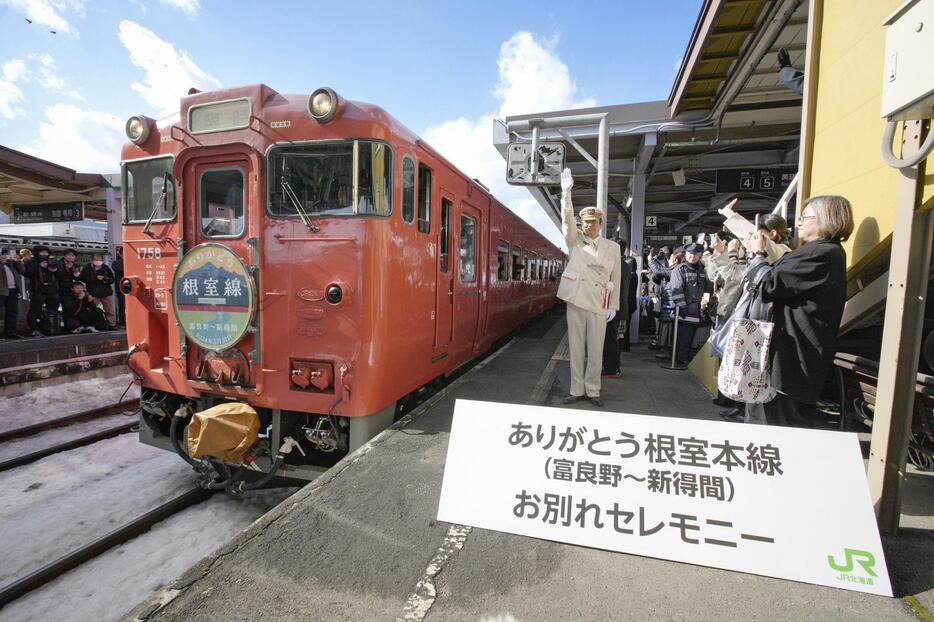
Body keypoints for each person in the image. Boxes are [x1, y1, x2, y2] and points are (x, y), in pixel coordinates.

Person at [742, 195, 853, 427]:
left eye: (806, 217)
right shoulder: (817, 252)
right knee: (765, 421)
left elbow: (769, 285)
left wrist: (758, 255)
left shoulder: (822, 254)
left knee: (775, 427)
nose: (799, 223)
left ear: (827, 219)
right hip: (784, 354)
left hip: (790, 358)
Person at [558, 168, 621, 407]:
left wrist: (613, 305)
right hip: (576, 300)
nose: (589, 226)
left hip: (599, 303)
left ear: (601, 224)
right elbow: (566, 222)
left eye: (593, 223)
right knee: (576, 348)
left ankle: (593, 390)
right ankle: (576, 389)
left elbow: (617, 278)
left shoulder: (612, 247)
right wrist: (567, 196)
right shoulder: (574, 241)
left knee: (596, 349)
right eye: (585, 223)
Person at [669, 243, 712, 367]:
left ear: (700, 255)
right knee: (683, 339)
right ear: (686, 253)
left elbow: (706, 289)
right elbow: (677, 290)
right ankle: (680, 361)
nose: (692, 256)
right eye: (690, 254)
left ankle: (686, 359)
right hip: (684, 312)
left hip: (699, 311)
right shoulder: (679, 269)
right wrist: (681, 307)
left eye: (695, 254)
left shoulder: (702, 270)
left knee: (692, 339)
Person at [24, 246, 62, 336]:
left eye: (46, 252)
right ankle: (34, 329)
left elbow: (61, 274)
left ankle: (51, 327)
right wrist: (39, 266)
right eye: (42, 252)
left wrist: (55, 270)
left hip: (52, 290)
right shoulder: (32, 262)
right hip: (38, 290)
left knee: (53, 310)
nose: (44, 254)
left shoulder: (53, 262)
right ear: (37, 253)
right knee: (35, 310)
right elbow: (26, 273)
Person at [80, 253, 116, 328]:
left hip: (106, 292)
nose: (98, 261)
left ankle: (111, 324)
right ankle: (92, 324)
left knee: (109, 310)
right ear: (92, 260)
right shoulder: (87, 268)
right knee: (91, 309)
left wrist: (105, 279)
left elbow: (112, 279)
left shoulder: (105, 268)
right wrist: (95, 278)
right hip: (93, 293)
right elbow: (83, 278)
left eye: (100, 260)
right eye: (96, 260)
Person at [0, 248, 26, 338]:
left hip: (13, 290)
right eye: (4, 254)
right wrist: (1, 262)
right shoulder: (2, 263)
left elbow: (22, 271)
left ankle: (11, 332)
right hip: (2, 291)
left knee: (12, 312)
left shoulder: (10, 263)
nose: (6, 256)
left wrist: (18, 261)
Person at [112, 246, 125, 327]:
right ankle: (122, 322)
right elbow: (118, 269)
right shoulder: (116, 263)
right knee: (122, 306)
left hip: (133, 289)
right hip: (121, 289)